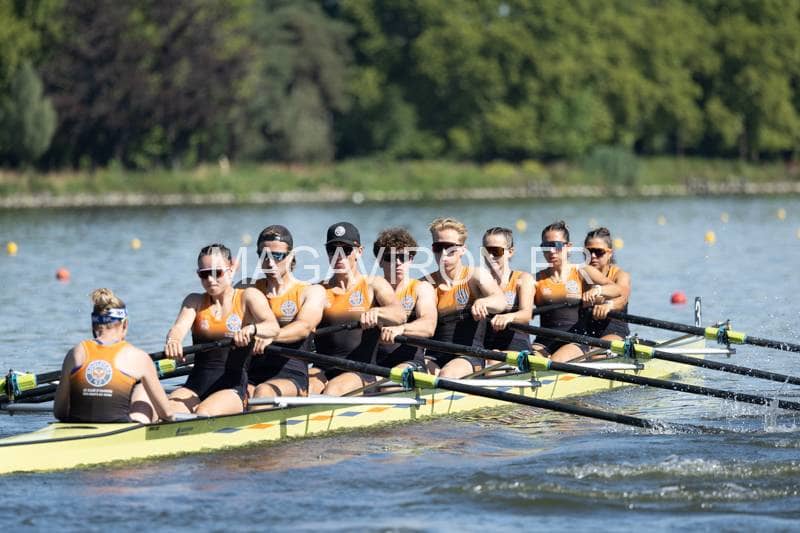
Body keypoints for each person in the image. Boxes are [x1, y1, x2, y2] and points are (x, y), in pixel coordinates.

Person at [164, 244, 279, 416]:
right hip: (195, 385)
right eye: (204, 274)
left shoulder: (248, 296)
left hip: (232, 387)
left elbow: (273, 327)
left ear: (231, 270)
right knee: (167, 412)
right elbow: (178, 328)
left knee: (204, 412)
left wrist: (251, 329)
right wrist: (173, 341)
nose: (210, 280)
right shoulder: (194, 301)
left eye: (217, 273)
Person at [312, 222, 406, 396]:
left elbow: (399, 314)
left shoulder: (373, 284)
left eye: (346, 250)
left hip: (362, 369)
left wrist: (377, 312)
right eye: (332, 250)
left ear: (359, 252)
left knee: (333, 390)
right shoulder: (318, 290)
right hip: (322, 368)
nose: (339, 256)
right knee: (305, 388)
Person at [54, 288, 173, 424]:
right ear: (125, 324)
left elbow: (59, 412)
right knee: (142, 389)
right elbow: (167, 414)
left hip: (76, 426)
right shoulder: (139, 357)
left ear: (93, 325)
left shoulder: (75, 352)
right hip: (122, 431)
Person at [249, 225, 326, 401]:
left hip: (291, 376)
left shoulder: (311, 291)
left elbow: (304, 327)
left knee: (263, 392)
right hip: (251, 373)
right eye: (264, 256)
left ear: (291, 256)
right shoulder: (248, 289)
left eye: (277, 256)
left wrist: (271, 336)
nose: (270, 263)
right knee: (238, 392)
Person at [426, 217, 507, 378]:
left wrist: (483, 302)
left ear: (463, 249)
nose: (443, 254)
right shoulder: (425, 284)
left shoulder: (475, 276)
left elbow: (501, 301)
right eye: (438, 247)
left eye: (450, 248)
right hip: (434, 356)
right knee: (408, 376)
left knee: (446, 375)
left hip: (469, 355)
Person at [533, 221, 621, 362]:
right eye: (546, 246)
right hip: (543, 342)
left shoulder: (582, 271)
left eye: (556, 245)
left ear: (568, 247)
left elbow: (616, 289)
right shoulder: (535, 280)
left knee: (555, 362)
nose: (551, 251)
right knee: (528, 362)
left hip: (575, 340)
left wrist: (597, 290)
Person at [373, 227, 437, 371]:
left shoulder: (421, 288)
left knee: (391, 379)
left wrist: (400, 329)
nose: (398, 262)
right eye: (390, 258)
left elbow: (429, 326)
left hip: (410, 362)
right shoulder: (370, 289)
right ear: (380, 261)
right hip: (374, 363)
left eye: (403, 257)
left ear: (411, 260)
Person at [480, 227, 534, 351]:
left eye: (496, 251)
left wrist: (508, 317)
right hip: (485, 345)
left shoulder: (523, 279)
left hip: (516, 345)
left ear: (510, 252)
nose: (491, 256)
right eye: (486, 251)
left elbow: (526, 314)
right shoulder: (479, 281)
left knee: (493, 358)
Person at [581, 227, 631, 342]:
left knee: (595, 350)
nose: (593, 256)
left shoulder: (620, 275)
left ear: (610, 254)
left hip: (614, 330)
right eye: (589, 252)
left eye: (599, 252)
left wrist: (609, 305)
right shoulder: (581, 274)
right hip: (584, 330)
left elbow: (622, 298)